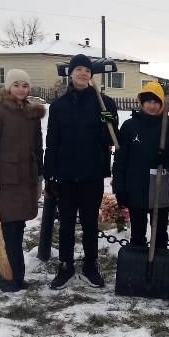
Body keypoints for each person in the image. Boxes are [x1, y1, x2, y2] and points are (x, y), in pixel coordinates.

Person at [44, 53, 119, 290]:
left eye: (87, 70)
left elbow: (111, 136)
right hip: (65, 174)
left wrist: (107, 121)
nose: (83, 73)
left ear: (91, 75)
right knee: (66, 223)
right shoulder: (58, 106)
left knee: (89, 222)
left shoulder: (104, 103)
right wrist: (50, 174)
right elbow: (52, 141)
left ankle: (90, 266)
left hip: (92, 173)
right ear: (72, 73)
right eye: (79, 70)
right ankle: (65, 266)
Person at [0, 69, 46, 292]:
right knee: (8, 229)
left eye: (25, 86)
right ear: (8, 87)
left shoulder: (30, 113)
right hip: (5, 180)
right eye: (16, 85)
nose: (21, 89)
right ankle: (6, 278)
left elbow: (37, 146)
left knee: (18, 227)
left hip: (25, 179)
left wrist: (40, 172)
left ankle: (17, 276)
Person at [113, 81, 169, 248]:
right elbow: (120, 161)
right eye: (148, 102)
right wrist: (120, 188)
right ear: (142, 103)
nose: (152, 106)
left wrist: (167, 158)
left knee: (159, 233)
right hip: (135, 187)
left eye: (156, 102)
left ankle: (160, 268)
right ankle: (137, 268)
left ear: (161, 103)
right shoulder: (130, 126)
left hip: (160, 188)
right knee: (137, 233)